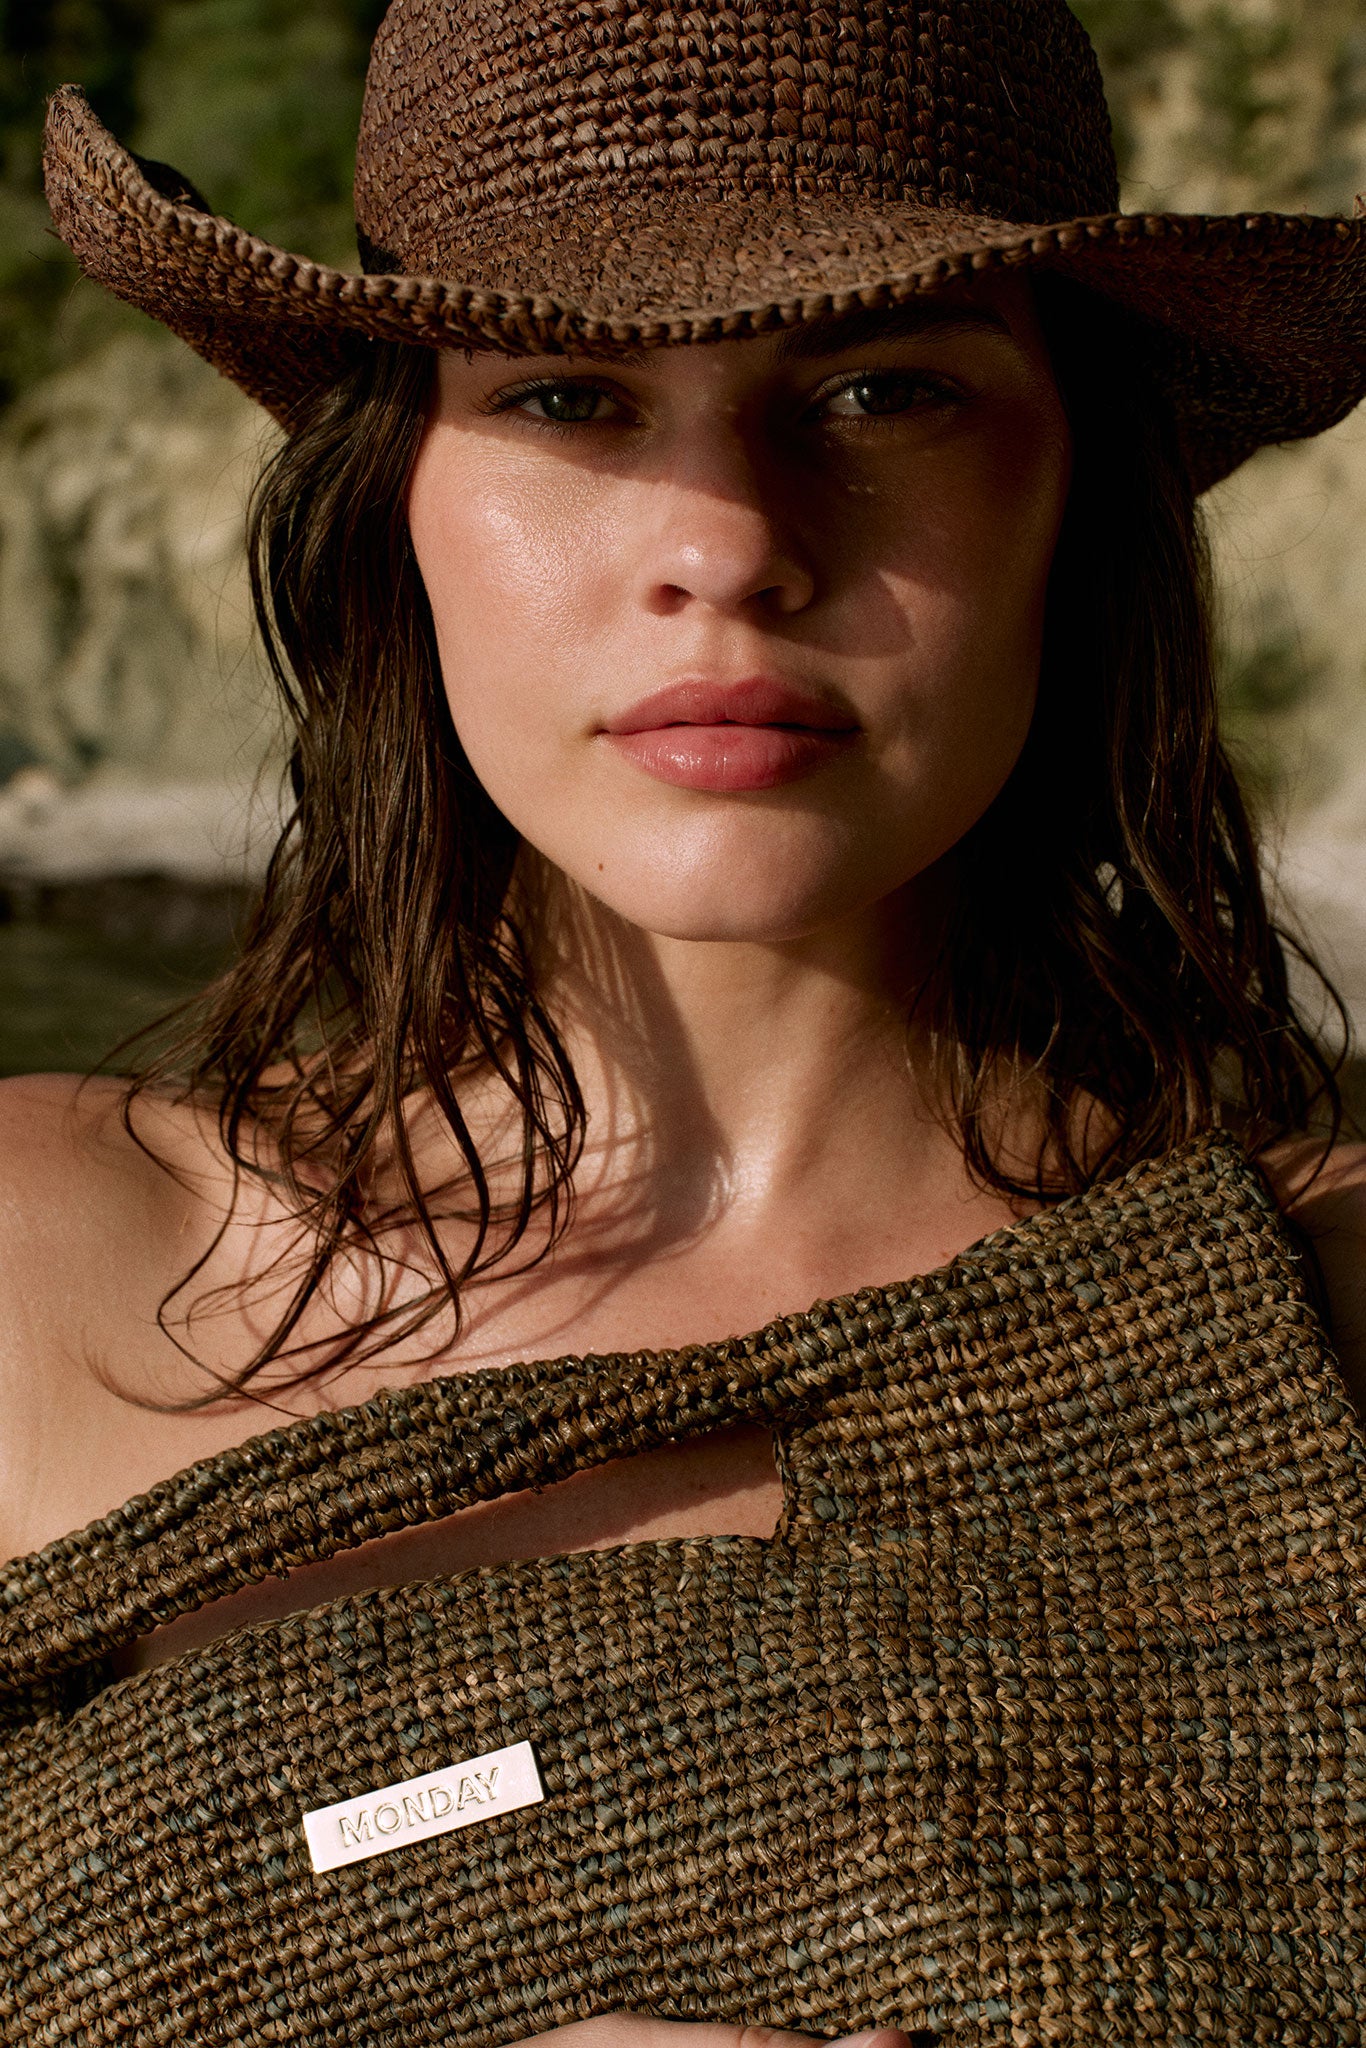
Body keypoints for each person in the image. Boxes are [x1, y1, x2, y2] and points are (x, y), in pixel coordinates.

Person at [4, 0, 1366, 2042]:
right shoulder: (28, 1264)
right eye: (565, 396)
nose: (724, 546)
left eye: (883, 388)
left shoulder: (1323, 1323)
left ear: (1081, 493)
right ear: (398, 498)